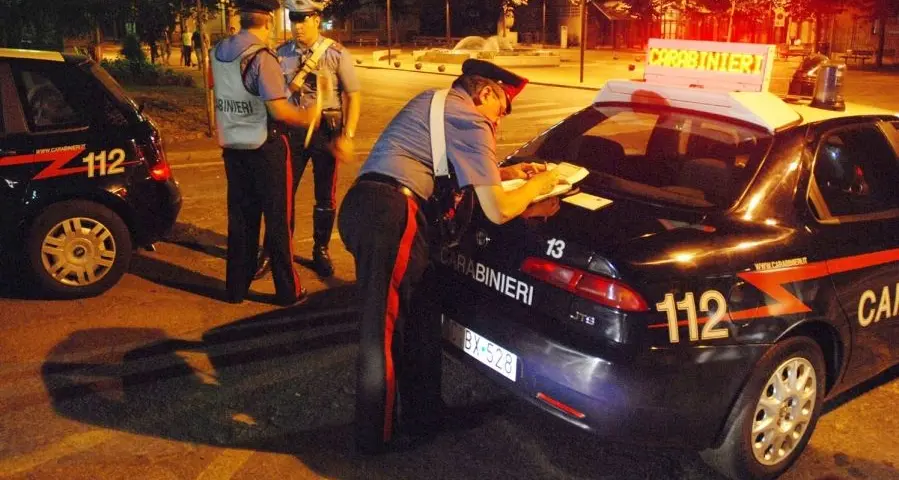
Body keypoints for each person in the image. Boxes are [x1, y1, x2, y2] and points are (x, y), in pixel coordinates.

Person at [337, 58, 563, 454]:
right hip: (392, 213)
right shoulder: (472, 120)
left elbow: (446, 164)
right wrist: (543, 183)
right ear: (488, 92)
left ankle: (426, 416)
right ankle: (375, 435)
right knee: (384, 330)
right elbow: (498, 210)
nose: (501, 120)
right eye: (503, 108)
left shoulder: (436, 101)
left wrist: (511, 174)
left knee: (422, 316)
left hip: (372, 207)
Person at [211, 0, 328, 306]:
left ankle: (235, 290)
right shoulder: (262, 58)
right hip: (266, 149)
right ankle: (288, 292)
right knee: (278, 221)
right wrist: (307, 115)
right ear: (269, 20)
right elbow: (277, 108)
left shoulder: (219, 52)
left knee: (240, 221)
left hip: (233, 148)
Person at [254, 0, 360, 279]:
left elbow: (353, 95)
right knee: (281, 193)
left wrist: (348, 134)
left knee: (325, 196)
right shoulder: (279, 54)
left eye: (303, 20)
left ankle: (320, 249)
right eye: (294, 20)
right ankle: (273, 250)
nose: (298, 27)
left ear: (316, 20)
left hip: (326, 130)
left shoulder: (336, 53)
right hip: (293, 129)